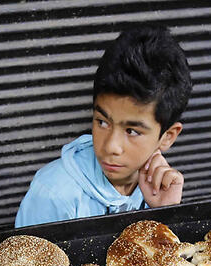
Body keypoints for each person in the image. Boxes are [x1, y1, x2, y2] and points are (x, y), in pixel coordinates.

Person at [14, 25, 192, 227]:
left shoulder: (158, 187)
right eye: (102, 122)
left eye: (132, 131)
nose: (110, 147)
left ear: (168, 136)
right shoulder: (53, 194)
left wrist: (164, 215)